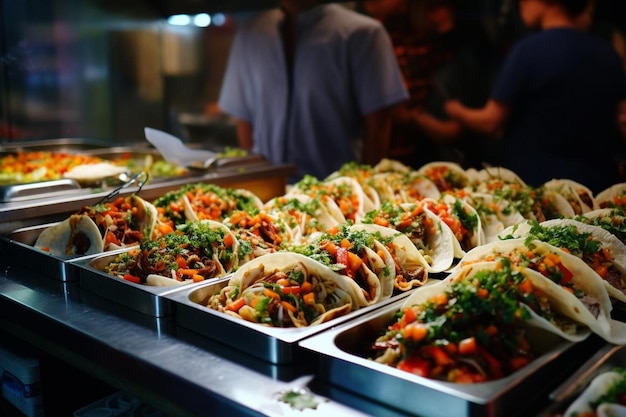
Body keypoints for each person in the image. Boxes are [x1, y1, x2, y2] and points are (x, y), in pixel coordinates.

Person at [444, 0, 626, 194]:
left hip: (538, 189)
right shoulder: (608, 53)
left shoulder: (528, 50)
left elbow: (490, 122)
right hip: (596, 188)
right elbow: (622, 119)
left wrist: (456, 110)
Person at [217, 0, 409, 182]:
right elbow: (244, 119)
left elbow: (378, 124)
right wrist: (256, 179)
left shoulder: (361, 33)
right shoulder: (251, 32)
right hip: (268, 192)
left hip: (337, 192)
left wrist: (365, 190)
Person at [360, 0, 496, 170]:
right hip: (383, 152)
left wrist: (416, 118)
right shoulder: (370, 31)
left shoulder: (446, 38)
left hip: (431, 158)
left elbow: (453, 128)